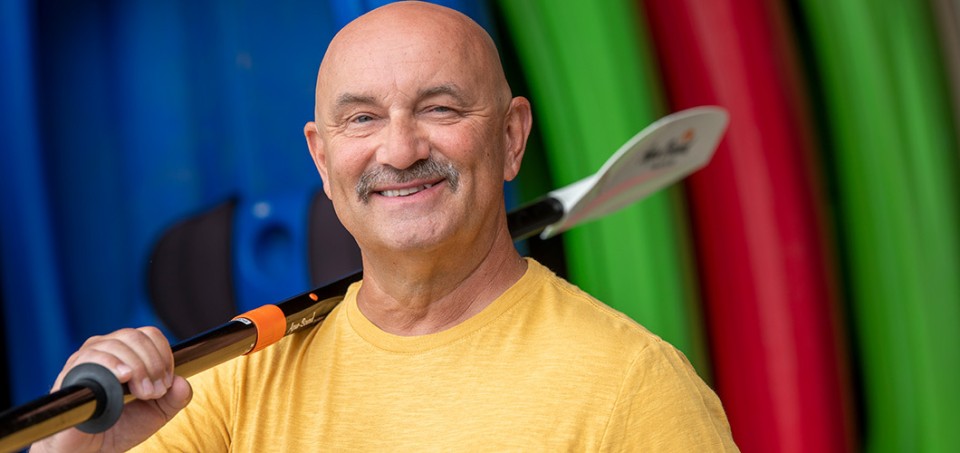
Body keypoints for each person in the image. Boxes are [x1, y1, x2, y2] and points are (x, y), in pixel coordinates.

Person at [32, 1, 738, 451]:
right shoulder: (238, 379)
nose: (399, 151)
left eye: (440, 108)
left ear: (512, 137)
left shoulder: (633, 388)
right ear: (322, 156)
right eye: (362, 118)